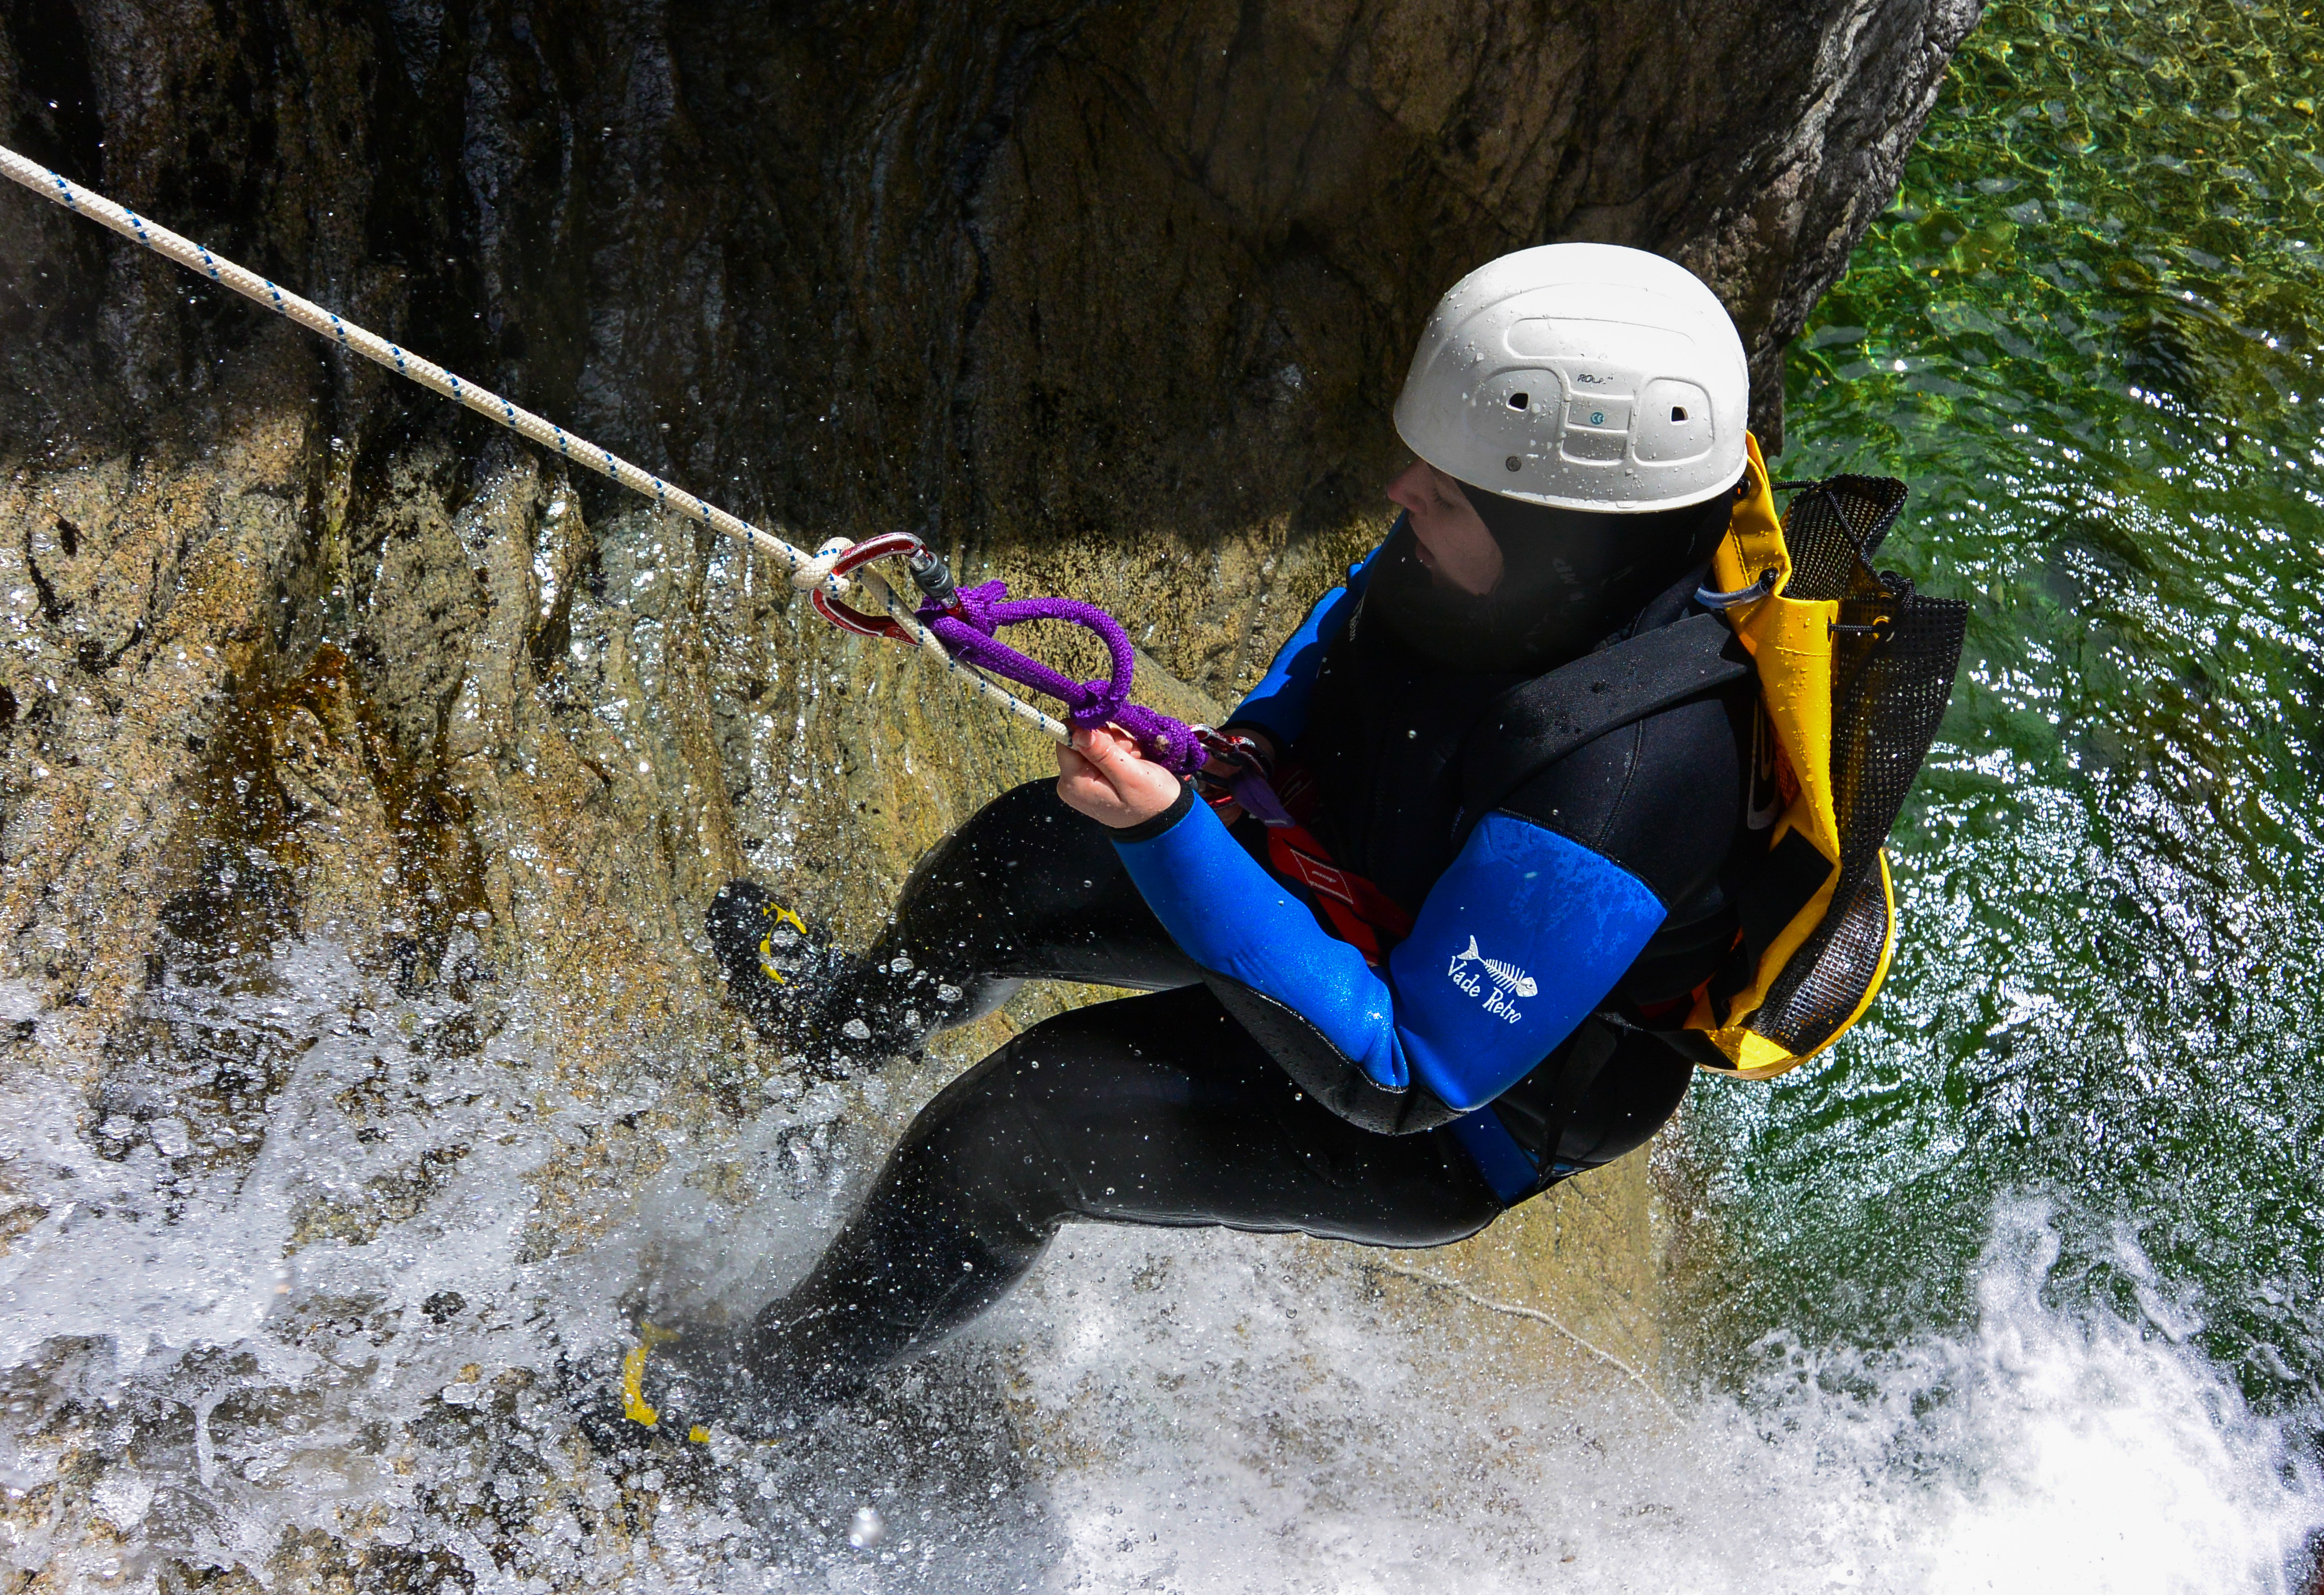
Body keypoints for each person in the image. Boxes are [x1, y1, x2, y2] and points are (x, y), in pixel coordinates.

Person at [658, 242, 1764, 1433]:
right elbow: (1359, 628)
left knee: (1015, 1130)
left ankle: (766, 1393)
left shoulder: (1640, 776)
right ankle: (850, 1020)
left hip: (1448, 1114)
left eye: (1442, 495)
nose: (1402, 492)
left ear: (1563, 542)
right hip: (1350, 887)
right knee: (1012, 863)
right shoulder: (1523, 557)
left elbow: (1404, 1078)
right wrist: (1241, 759)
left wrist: (1175, 837)